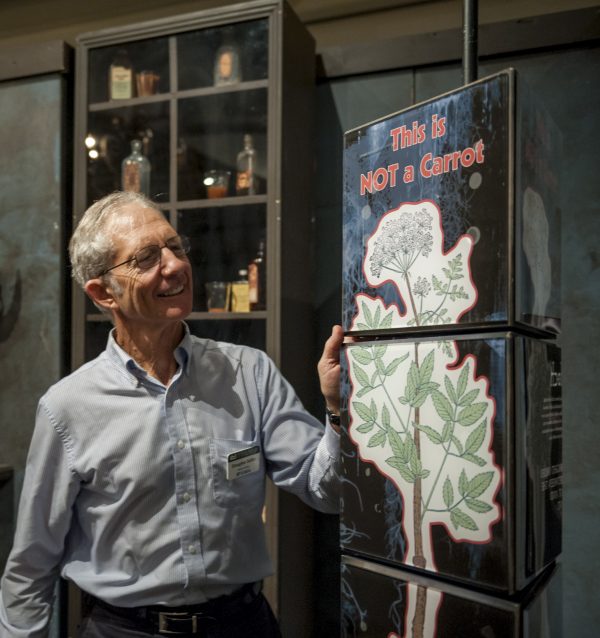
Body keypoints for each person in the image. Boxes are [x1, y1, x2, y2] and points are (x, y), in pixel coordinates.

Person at [0, 191, 343, 637]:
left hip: (243, 624)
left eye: (175, 247)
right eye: (146, 258)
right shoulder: (69, 406)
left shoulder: (249, 372)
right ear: (104, 292)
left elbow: (328, 492)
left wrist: (337, 411)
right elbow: (32, 563)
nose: (176, 265)